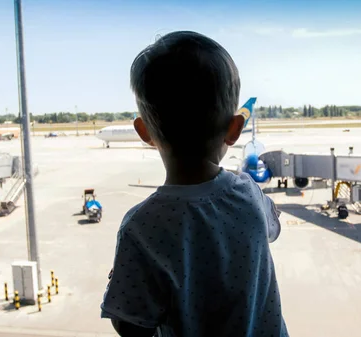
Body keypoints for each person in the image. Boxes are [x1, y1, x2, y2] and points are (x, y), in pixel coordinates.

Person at [100, 31, 288, 337]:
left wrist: (121, 281)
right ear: (234, 129)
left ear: (144, 132)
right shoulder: (250, 194)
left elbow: (131, 326)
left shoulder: (141, 227)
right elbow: (273, 229)